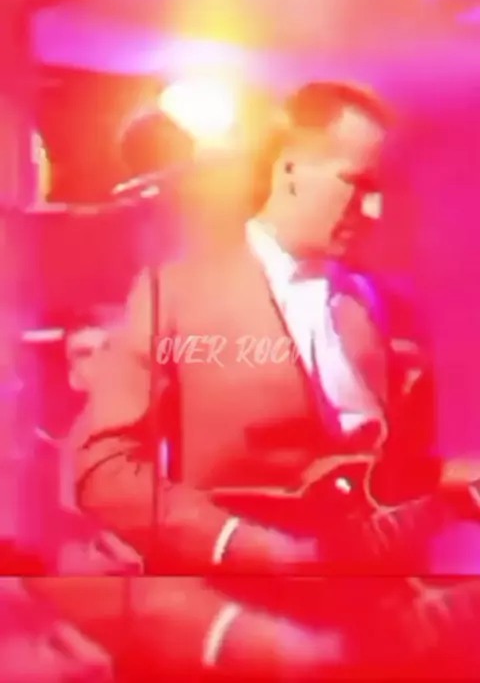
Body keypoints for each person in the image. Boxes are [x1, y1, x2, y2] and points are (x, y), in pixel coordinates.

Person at [69, 79, 443, 579]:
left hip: (372, 594)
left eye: (380, 191)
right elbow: (104, 469)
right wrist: (236, 542)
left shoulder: (392, 309)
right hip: (239, 593)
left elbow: (406, 474)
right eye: (357, 183)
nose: (374, 211)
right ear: (290, 170)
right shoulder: (173, 294)